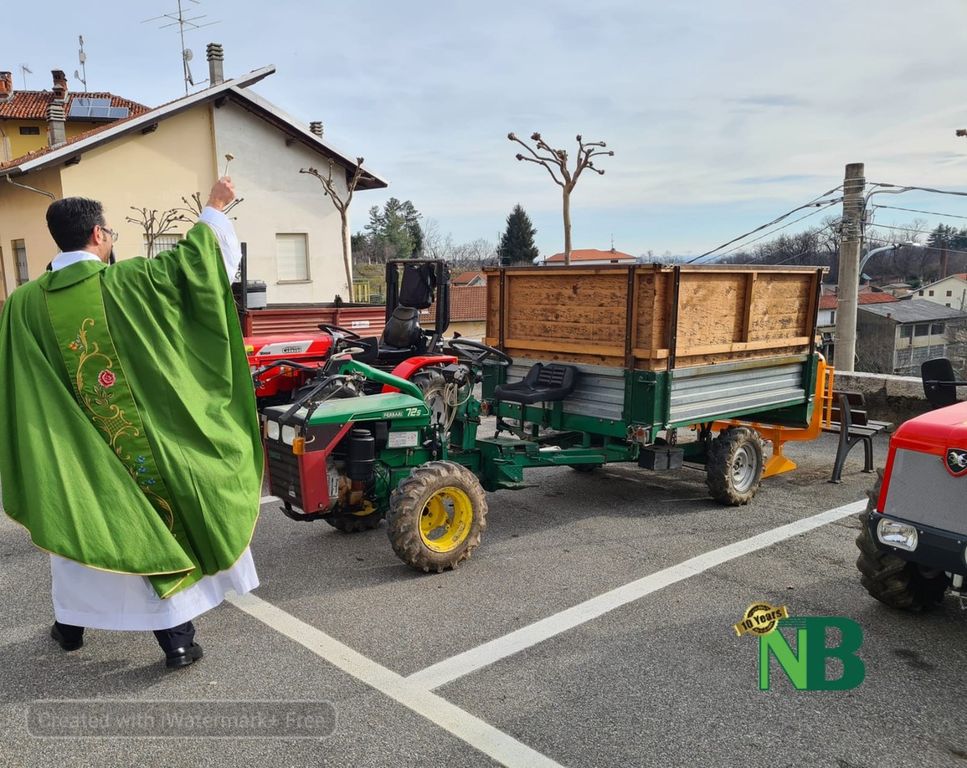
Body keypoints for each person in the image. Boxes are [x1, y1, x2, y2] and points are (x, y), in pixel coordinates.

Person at [0, 177, 262, 669]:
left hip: (67, 452)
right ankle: (177, 641)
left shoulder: (21, 304)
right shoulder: (128, 282)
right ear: (98, 234)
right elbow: (195, 269)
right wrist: (214, 208)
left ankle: (69, 628)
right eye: (111, 233)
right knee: (151, 532)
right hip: (136, 446)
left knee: (77, 532)